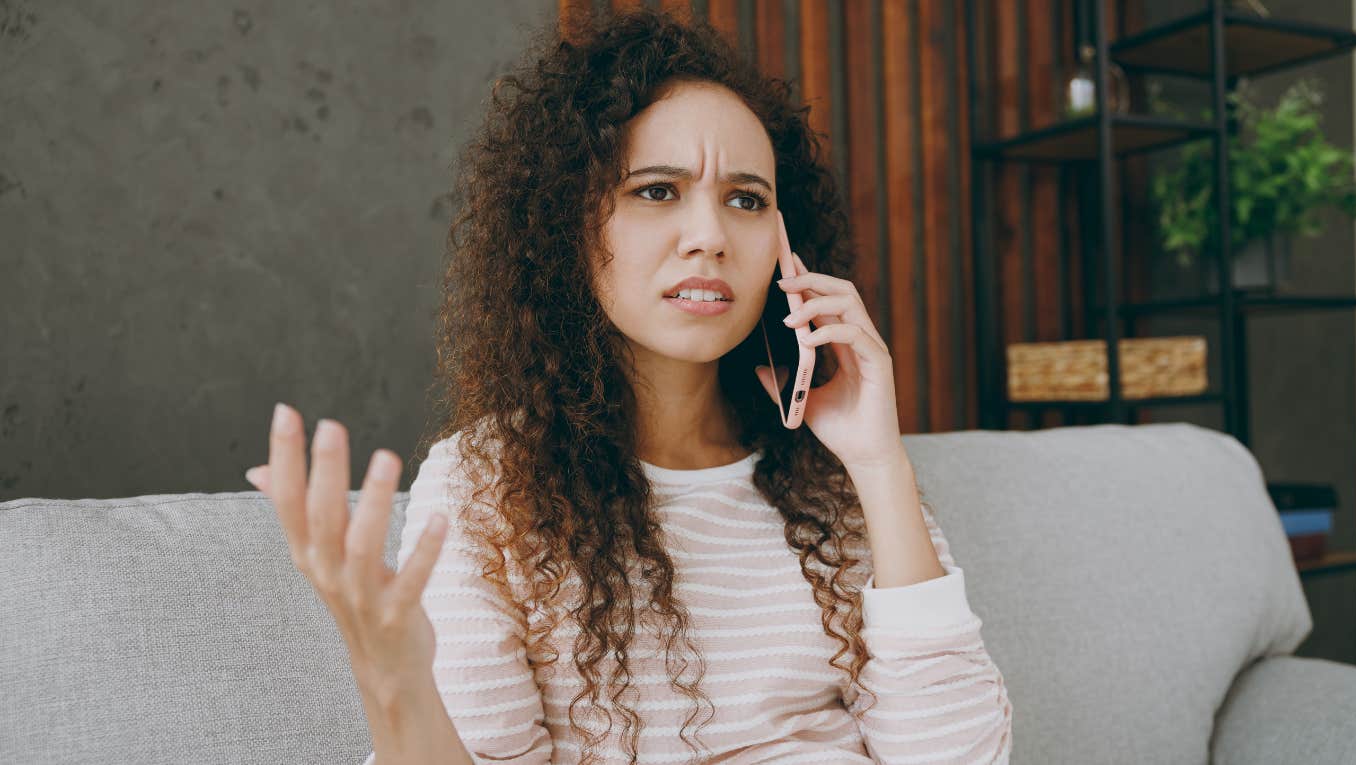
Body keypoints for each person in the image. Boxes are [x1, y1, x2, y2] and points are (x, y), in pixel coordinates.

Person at [247, 6, 1012, 764]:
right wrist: (396, 678)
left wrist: (879, 465)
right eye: (657, 190)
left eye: (747, 199)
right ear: (569, 223)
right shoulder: (487, 485)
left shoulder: (834, 476)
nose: (710, 235)